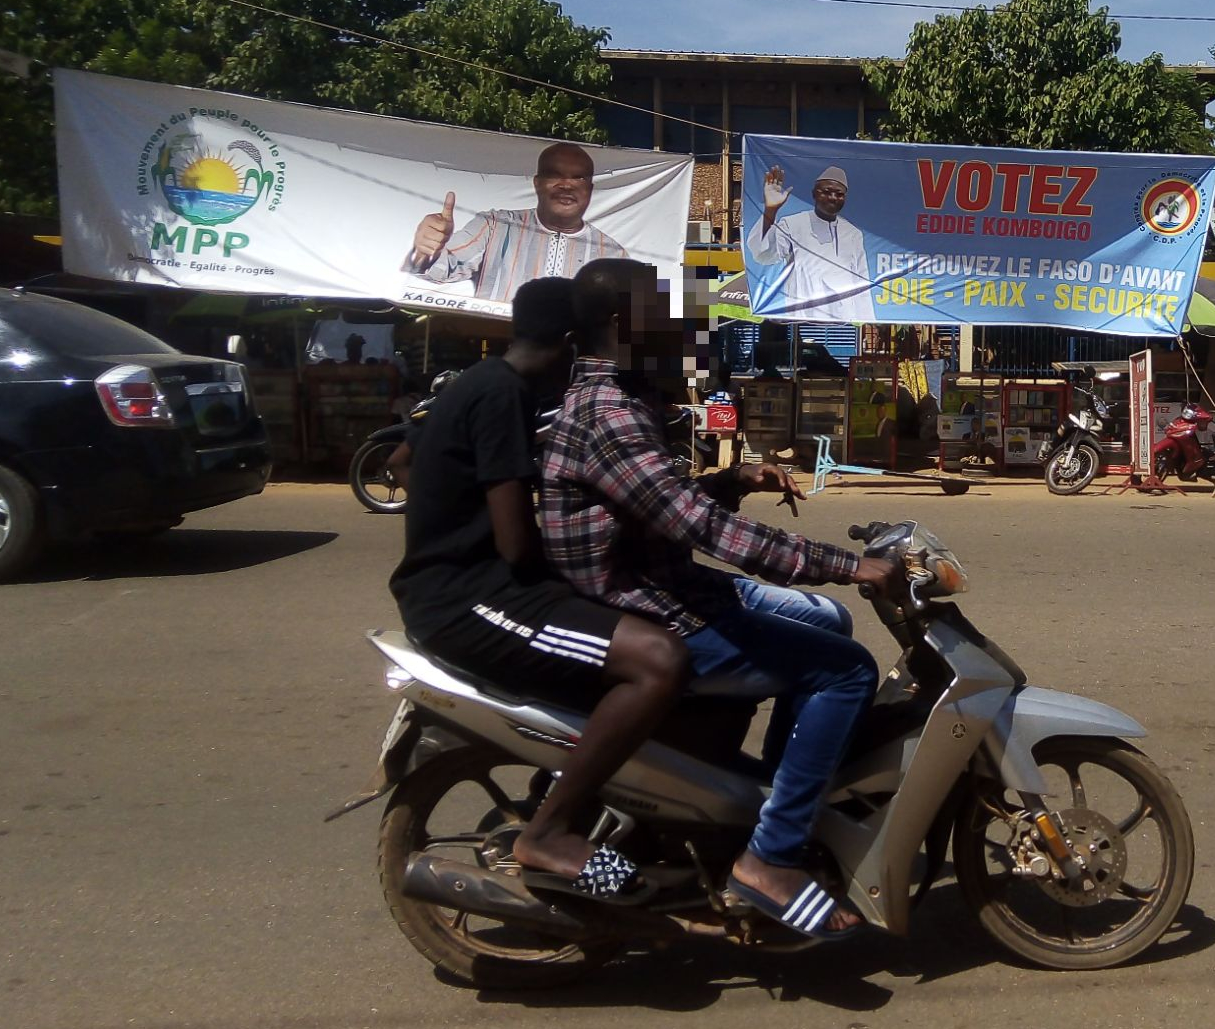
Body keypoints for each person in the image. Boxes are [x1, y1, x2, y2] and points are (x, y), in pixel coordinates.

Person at [540, 258, 905, 941]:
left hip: (668, 584)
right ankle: (769, 859)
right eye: (658, 307)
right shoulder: (610, 413)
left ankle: (769, 798)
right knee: (848, 671)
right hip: (649, 608)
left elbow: (656, 505)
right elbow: (699, 528)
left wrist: (733, 479)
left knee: (829, 621)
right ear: (621, 322)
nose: (675, 320)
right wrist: (844, 564)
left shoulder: (626, 395)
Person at [388, 277, 689, 902]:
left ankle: (600, 800)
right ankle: (548, 833)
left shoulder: (476, 379)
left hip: (456, 584)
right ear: (573, 343)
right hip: (466, 599)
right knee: (657, 660)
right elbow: (515, 544)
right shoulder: (504, 394)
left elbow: (402, 462)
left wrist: (447, 516)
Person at [404, 143, 628, 303]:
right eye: (554, 175)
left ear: (589, 189)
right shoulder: (495, 226)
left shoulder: (613, 255)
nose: (566, 185)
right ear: (537, 183)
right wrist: (425, 251)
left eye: (578, 177)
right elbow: (440, 270)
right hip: (499, 352)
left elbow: (628, 330)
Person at [744, 164, 875, 321]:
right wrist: (770, 210)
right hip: (802, 320)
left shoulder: (853, 234)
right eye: (827, 192)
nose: (833, 197)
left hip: (843, 322)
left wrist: (868, 320)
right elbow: (763, 255)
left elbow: (861, 281)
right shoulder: (792, 225)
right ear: (814, 194)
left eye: (839, 194)